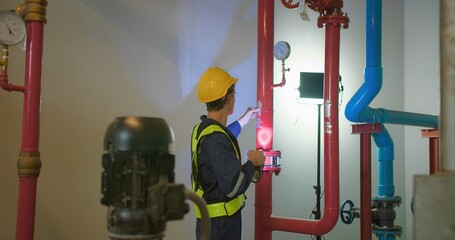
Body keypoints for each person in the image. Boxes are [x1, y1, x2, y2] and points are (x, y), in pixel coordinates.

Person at [191, 67, 265, 240]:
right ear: (229, 98)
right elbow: (233, 186)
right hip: (221, 227)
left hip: (211, 224)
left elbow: (221, 138)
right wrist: (252, 163)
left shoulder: (203, 129)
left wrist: (243, 120)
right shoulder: (216, 138)